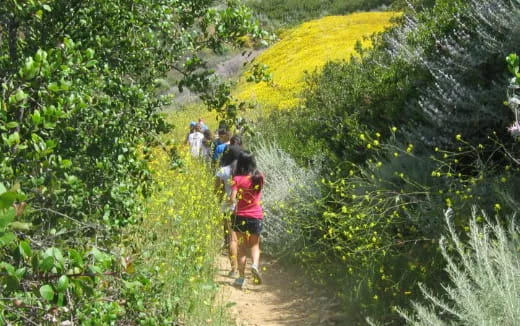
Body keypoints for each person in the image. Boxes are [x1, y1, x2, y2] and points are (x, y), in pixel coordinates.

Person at [229, 151, 264, 289]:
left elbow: (232, 198)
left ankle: (241, 278)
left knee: (242, 248)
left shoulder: (237, 179)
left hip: (240, 216)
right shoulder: (260, 177)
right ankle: (255, 265)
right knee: (255, 246)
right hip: (256, 215)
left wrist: (235, 199)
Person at [215, 144, 242, 278]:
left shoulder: (223, 171)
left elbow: (217, 191)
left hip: (228, 207)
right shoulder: (247, 170)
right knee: (242, 239)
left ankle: (234, 269)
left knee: (231, 239)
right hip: (245, 208)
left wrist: (219, 202)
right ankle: (244, 270)